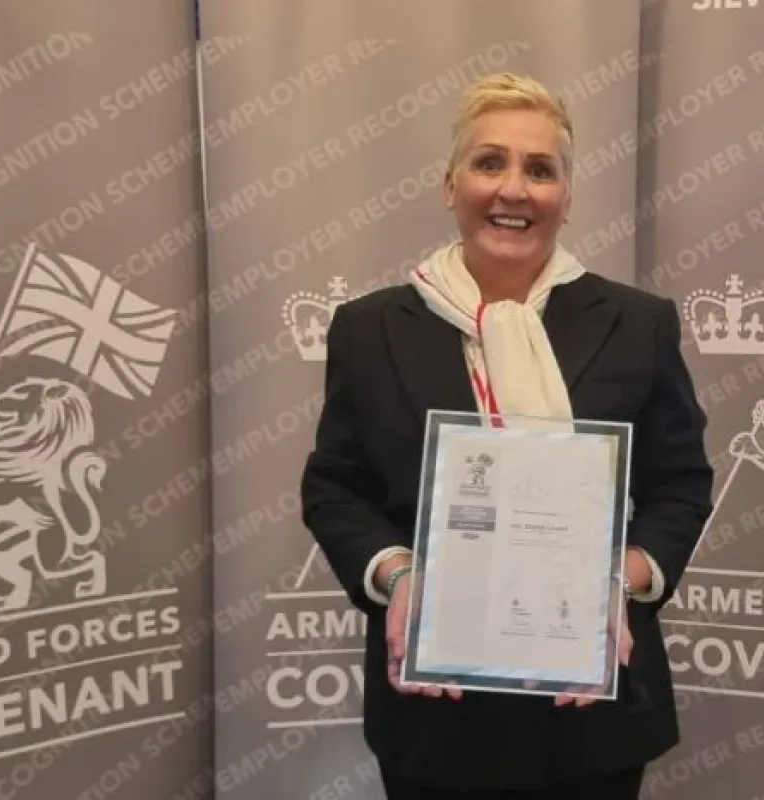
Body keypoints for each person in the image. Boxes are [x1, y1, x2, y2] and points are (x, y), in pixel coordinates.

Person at [300, 72, 714, 799]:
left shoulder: (638, 324)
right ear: (449, 183)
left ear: (567, 196)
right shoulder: (368, 329)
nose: (514, 190)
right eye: (489, 163)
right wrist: (398, 576)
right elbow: (335, 486)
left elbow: (679, 486)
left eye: (540, 170)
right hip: (433, 711)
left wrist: (616, 581)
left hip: (593, 705)